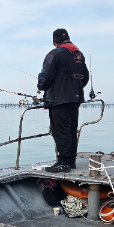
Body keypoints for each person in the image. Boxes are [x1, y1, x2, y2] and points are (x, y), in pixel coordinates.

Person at [37, 28, 89, 173]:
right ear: (69, 38)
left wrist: (40, 86)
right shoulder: (79, 55)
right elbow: (85, 77)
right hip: (75, 99)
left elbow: (45, 77)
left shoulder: (55, 53)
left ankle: (64, 162)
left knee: (60, 131)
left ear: (54, 42)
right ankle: (70, 161)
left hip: (59, 99)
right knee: (71, 130)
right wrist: (74, 88)